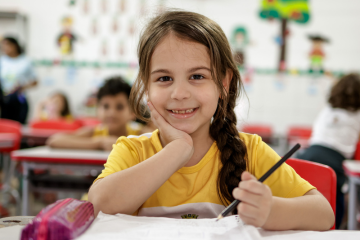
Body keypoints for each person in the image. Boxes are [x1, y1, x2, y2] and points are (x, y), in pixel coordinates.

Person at [88, 10, 334, 230]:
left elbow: (324, 214)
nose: (180, 93)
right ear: (146, 86)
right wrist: (178, 149)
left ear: (223, 84)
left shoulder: (251, 152)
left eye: (197, 76)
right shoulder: (133, 152)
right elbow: (99, 205)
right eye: (164, 78)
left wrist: (270, 210)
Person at [298, 73, 360, 229]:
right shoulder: (357, 114)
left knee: (304, 195)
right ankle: (336, 229)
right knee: (333, 203)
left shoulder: (327, 110)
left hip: (308, 155)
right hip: (333, 161)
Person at [46, 76, 141, 151]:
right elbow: (54, 141)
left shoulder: (140, 134)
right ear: (97, 110)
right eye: (105, 106)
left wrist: (124, 144)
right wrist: (98, 143)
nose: (111, 113)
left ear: (133, 112)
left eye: (119, 107)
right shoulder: (94, 133)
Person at [0, 37, 38, 124]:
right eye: (3, 46)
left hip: (19, 99)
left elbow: (35, 81)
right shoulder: (2, 61)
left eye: (7, 45)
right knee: (5, 125)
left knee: (19, 124)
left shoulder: (25, 61)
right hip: (4, 99)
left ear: (15, 46)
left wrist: (22, 87)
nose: (5, 48)